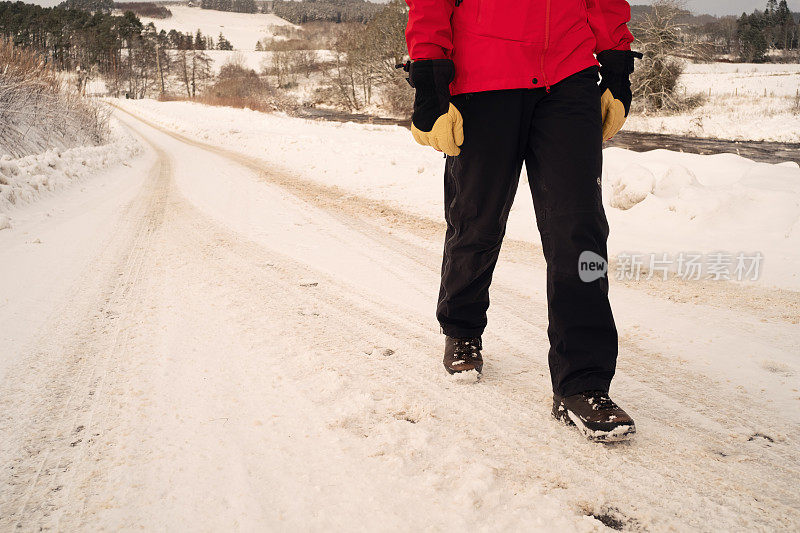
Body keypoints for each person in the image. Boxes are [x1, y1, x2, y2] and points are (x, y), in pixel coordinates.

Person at [402, 0, 642, 441]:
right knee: (476, 218)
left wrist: (616, 67)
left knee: (580, 230)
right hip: (483, 80)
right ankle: (462, 327)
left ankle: (583, 382)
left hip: (570, 79)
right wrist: (431, 82)